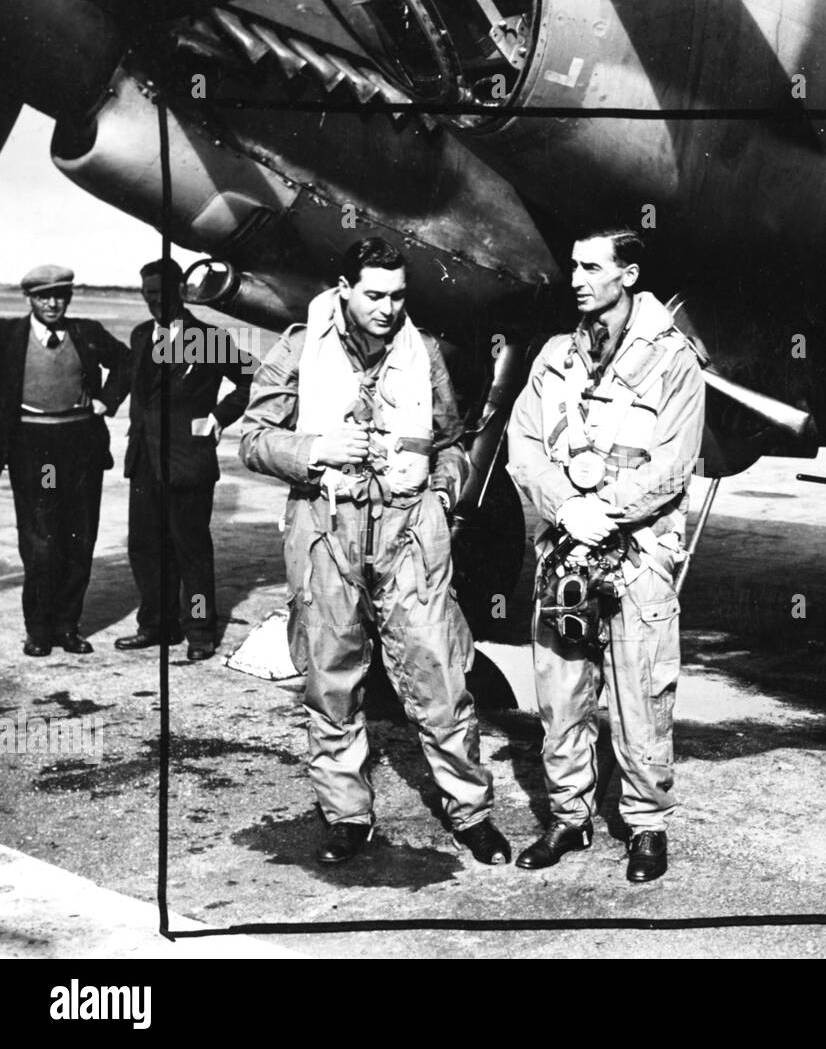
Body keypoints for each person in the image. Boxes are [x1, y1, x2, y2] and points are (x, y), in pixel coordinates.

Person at [239, 236, 510, 867]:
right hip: (325, 526)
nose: (388, 309)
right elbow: (253, 439)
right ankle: (346, 816)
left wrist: (442, 496)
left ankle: (469, 811)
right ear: (344, 287)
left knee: (440, 676)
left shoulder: (425, 354)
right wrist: (315, 451)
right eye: (375, 295)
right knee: (331, 679)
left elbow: (449, 441)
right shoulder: (299, 348)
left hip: (410, 530)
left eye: (398, 296)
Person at [506, 228, 706, 883]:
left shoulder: (673, 360)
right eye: (573, 265)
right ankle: (569, 817)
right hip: (566, 548)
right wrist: (567, 508)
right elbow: (524, 445)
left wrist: (606, 510)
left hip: (639, 552)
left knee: (642, 690)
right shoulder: (555, 356)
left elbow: (674, 465)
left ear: (629, 275)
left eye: (592, 267)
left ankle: (646, 824)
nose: (576, 277)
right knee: (562, 690)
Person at [112, 259, 252, 661]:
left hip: (188, 460)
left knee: (190, 549)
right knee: (144, 547)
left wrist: (219, 417)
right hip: (145, 461)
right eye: (147, 295)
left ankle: (199, 633)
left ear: (180, 291)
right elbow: (128, 384)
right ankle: (156, 625)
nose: (154, 302)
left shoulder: (207, 338)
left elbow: (249, 378)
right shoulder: (141, 336)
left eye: (160, 293)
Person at [0, 265, 127, 657]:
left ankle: (67, 626)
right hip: (34, 449)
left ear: (68, 298)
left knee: (79, 535)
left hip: (79, 447)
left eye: (60, 296)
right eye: (43, 296)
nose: (52, 303)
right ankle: (38, 631)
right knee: (41, 540)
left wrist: (108, 398)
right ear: (30, 299)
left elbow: (128, 361)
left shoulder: (86, 332)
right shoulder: (7, 335)